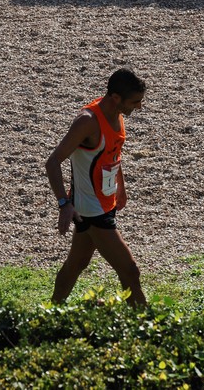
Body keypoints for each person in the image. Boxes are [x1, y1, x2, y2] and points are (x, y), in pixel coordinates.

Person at [45, 68, 147, 306]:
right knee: (130, 270)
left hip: (104, 202)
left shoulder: (118, 114)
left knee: (76, 264)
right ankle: (145, 324)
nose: (139, 107)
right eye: (135, 102)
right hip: (91, 210)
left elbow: (112, 154)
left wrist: (120, 187)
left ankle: (52, 310)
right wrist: (64, 204)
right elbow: (52, 162)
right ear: (115, 98)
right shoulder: (87, 122)